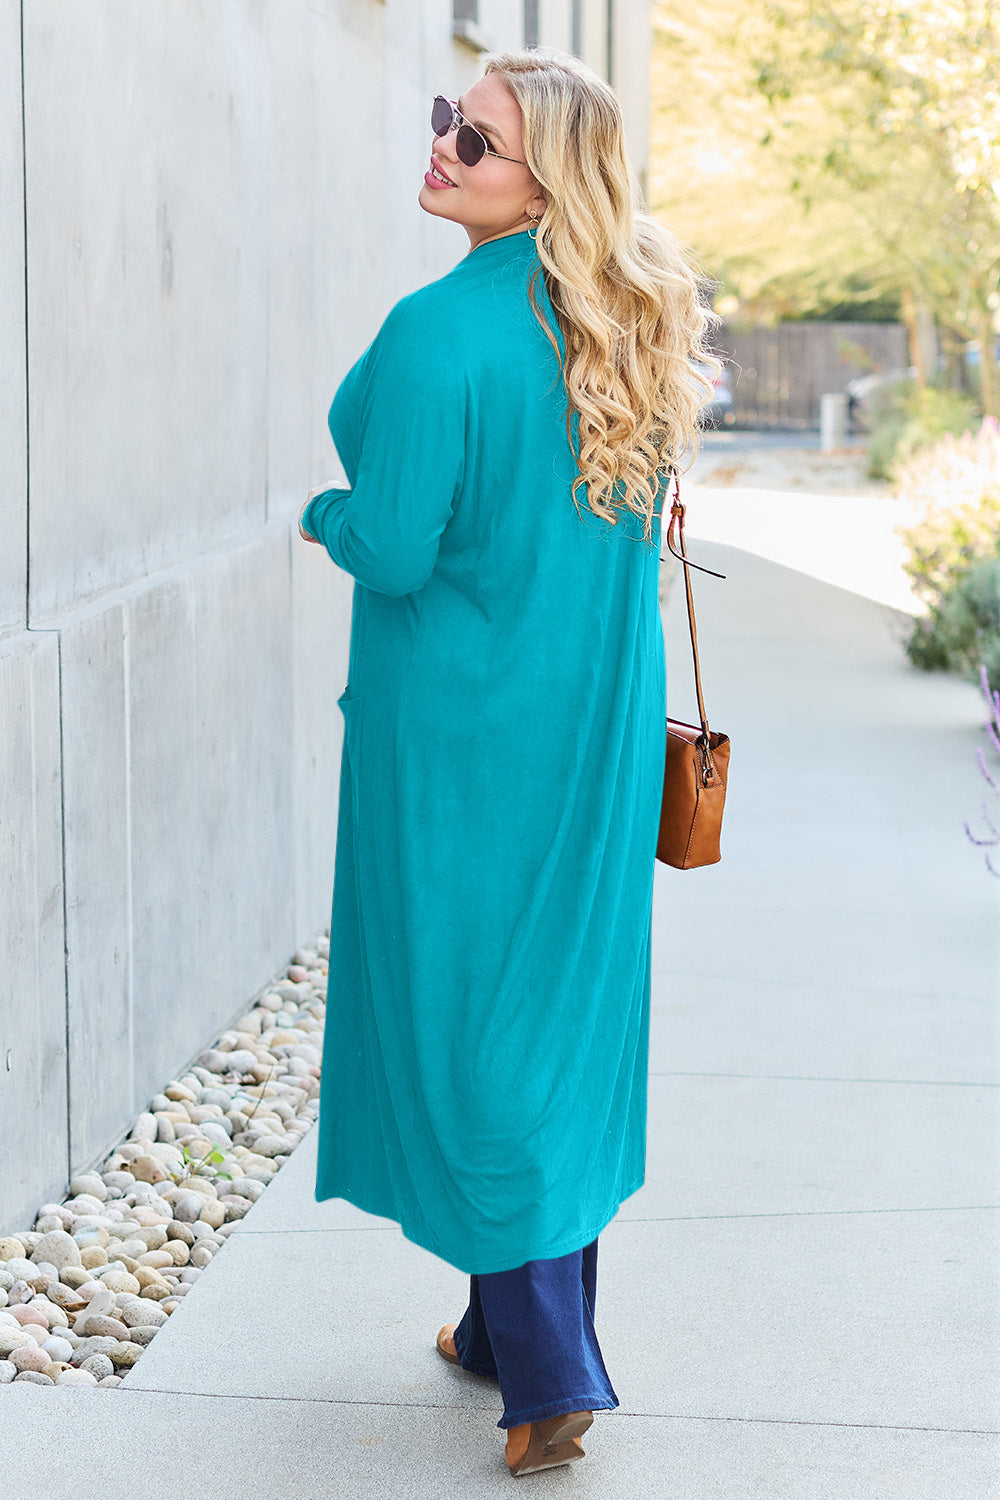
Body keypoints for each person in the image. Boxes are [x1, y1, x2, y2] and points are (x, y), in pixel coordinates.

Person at [299, 45, 718, 1478]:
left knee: (471, 1025)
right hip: (589, 728)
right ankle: (498, 1327)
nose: (442, 150)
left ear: (549, 179)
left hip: (465, 737)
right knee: (550, 1017)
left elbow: (399, 542)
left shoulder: (439, 332)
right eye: (445, 123)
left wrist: (319, 515)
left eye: (474, 141)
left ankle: (547, 1374)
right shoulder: (631, 320)